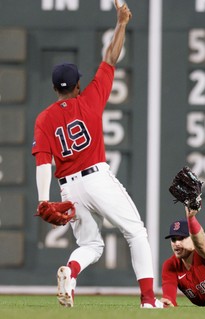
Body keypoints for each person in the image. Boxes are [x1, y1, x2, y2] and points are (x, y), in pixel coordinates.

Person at [31, 0, 162, 309]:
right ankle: (147, 300)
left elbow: (42, 162)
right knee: (136, 232)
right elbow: (111, 57)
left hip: (69, 187)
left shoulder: (44, 118)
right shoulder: (89, 100)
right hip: (96, 177)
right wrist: (121, 24)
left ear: (55, 89)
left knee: (90, 243)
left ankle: (71, 272)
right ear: (77, 86)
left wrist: (43, 200)